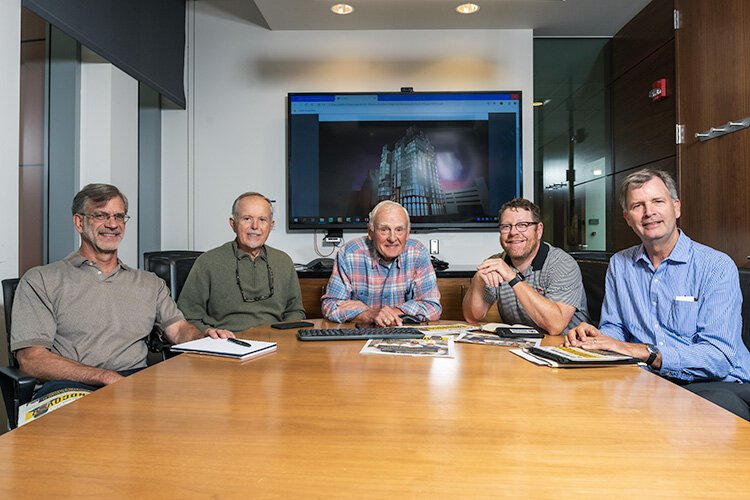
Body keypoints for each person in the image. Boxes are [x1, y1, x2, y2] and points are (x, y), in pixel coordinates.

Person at [10, 184, 232, 399]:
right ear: (79, 222)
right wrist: (104, 377)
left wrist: (203, 338)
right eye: (101, 215)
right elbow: (32, 359)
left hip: (133, 382)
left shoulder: (149, 283)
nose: (112, 224)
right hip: (70, 385)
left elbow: (178, 330)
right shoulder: (41, 280)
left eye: (119, 216)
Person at [566, 169, 750, 420]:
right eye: (637, 206)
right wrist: (596, 338)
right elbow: (615, 328)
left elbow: (719, 357)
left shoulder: (716, 266)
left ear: (676, 208)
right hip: (651, 380)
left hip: (719, 384)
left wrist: (646, 352)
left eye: (657, 201)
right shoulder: (620, 264)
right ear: (628, 218)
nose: (648, 212)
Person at [178, 192, 305, 333]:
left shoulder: (283, 261)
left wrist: (284, 336)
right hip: (227, 343)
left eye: (262, 220)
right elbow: (188, 317)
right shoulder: (207, 262)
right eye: (247, 218)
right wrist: (209, 333)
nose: (255, 226)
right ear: (233, 224)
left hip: (275, 344)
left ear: (271, 225)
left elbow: (295, 311)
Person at [462, 198, 589, 335]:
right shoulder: (496, 263)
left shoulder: (562, 264)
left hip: (567, 347)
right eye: (506, 226)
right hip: (521, 346)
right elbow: (472, 317)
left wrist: (512, 277)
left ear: (538, 230)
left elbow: (555, 326)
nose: (513, 232)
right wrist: (478, 281)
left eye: (522, 225)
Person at [321, 200, 441, 326]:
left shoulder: (418, 253)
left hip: (404, 337)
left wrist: (386, 314)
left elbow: (432, 307)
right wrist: (370, 315)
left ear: (407, 234)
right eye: (384, 230)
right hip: (360, 337)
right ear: (370, 232)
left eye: (399, 230)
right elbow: (330, 306)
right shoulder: (349, 253)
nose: (392, 238)